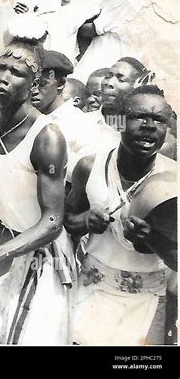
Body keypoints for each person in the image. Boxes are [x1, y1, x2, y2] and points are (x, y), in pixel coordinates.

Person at [0, 35, 75, 345]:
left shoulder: (47, 136)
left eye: (18, 73)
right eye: (1, 67)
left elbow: (52, 222)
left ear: (35, 83)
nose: (4, 77)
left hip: (38, 256)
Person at [65, 85, 177, 345]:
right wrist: (86, 221)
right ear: (118, 121)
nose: (149, 126)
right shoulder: (90, 167)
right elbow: (68, 221)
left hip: (147, 298)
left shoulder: (174, 182)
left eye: (159, 120)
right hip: (93, 291)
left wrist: (152, 240)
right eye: (139, 117)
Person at [31, 50, 92, 182]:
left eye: (42, 84)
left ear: (61, 83)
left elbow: (84, 173)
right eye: (30, 84)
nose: (34, 91)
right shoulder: (27, 116)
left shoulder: (80, 122)